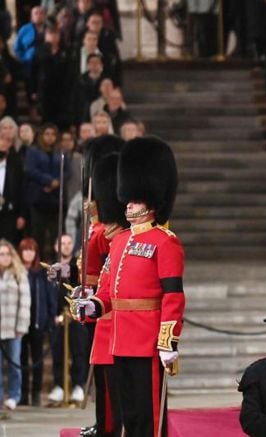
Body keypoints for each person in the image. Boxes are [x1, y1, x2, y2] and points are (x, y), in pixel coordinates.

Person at [78, 137, 184, 437]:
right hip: (120, 339)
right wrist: (94, 305)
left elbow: (173, 295)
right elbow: (108, 287)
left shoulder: (166, 243)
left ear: (150, 203)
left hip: (148, 339)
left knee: (149, 416)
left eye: (134, 200)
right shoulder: (121, 241)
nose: (128, 204)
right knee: (129, 414)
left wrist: (168, 339)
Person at [76, 135, 126, 437]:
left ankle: (108, 425)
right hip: (95, 300)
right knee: (102, 372)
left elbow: (107, 261)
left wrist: (96, 220)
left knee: (110, 376)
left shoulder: (107, 230)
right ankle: (103, 423)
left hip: (108, 306)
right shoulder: (100, 228)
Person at [46, 233, 86, 405]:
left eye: (69, 243)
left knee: (79, 351)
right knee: (58, 352)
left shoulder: (78, 267)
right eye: (62, 243)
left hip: (75, 315)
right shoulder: (52, 268)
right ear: (56, 246)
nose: (66, 246)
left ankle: (78, 385)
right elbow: (49, 293)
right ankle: (59, 385)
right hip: (57, 316)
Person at [19, 238, 54, 407]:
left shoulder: (41, 273)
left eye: (31, 250)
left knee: (38, 360)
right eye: (25, 250)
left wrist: (50, 317)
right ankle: (23, 394)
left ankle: (36, 394)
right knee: (21, 360)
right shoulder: (16, 272)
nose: (28, 253)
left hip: (38, 322)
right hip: (20, 323)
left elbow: (49, 298)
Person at [25, 124, 68, 260]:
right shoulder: (33, 151)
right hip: (39, 199)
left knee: (57, 235)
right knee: (38, 235)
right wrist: (49, 181)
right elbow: (31, 170)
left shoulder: (61, 152)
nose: (50, 137)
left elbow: (67, 171)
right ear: (41, 136)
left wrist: (57, 182)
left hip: (56, 201)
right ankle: (38, 264)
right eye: (47, 134)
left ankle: (57, 265)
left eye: (53, 134)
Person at [0, 239, 30, 410]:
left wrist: (21, 326)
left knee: (14, 364)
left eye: (7, 254)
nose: (4, 257)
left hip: (13, 327)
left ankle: (14, 395)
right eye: (1, 254)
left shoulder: (19, 275)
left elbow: (25, 302)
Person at [0, 135, 26, 245]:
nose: (2, 147)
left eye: (5, 144)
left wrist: (21, 215)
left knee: (9, 245)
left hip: (10, 214)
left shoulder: (16, 165)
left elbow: (22, 191)